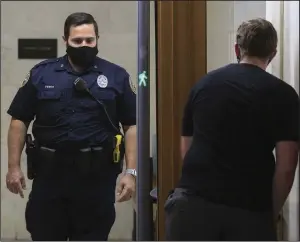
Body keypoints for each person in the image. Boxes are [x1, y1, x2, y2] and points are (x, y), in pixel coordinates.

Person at [6, 12, 137, 241]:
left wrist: (131, 172)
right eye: (77, 41)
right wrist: (13, 167)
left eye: (89, 40)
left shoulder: (116, 76)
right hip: (50, 178)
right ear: (65, 40)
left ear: (98, 39)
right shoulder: (42, 74)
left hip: (96, 180)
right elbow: (19, 120)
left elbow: (131, 126)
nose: (84, 45)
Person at [165, 18, 299, 241]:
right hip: (248, 211)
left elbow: (187, 150)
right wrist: (270, 214)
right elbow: (287, 166)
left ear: (237, 49)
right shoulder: (284, 95)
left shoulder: (203, 85)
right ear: (273, 53)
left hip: (192, 207)